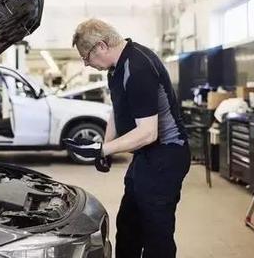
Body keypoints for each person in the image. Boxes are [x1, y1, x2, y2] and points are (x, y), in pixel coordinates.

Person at [72, 19, 190, 258]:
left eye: (86, 57)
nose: (87, 64)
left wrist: (101, 150)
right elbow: (116, 111)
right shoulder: (115, 69)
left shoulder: (138, 66)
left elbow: (148, 132)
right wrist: (106, 146)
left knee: (157, 236)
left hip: (166, 155)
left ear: (102, 46)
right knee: (127, 228)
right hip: (146, 156)